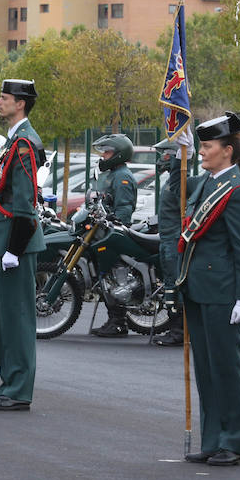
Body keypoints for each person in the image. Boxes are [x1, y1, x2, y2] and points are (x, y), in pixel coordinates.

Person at [171, 114, 240, 467]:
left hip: (223, 293)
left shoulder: (237, 191)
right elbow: (174, 195)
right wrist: (180, 158)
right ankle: (212, 440)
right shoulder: (206, 182)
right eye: (201, 146)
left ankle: (233, 441)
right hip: (198, 288)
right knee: (206, 370)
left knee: (226, 369)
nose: (202, 152)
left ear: (228, 150)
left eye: (207, 146)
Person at [0, 79, 45, 411]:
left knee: (17, 320)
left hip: (15, 242)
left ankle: (17, 390)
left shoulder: (24, 144)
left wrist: (14, 250)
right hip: (5, 239)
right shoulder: (14, 142)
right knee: (6, 319)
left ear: (20, 103)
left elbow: (25, 204)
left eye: (3, 98)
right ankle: (10, 385)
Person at [89, 133, 138, 338]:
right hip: (105, 232)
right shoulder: (114, 174)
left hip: (115, 234)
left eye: (107, 152)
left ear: (119, 154)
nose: (104, 156)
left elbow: (124, 209)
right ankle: (114, 319)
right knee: (106, 275)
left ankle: (118, 321)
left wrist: (114, 223)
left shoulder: (122, 177)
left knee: (115, 274)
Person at [152, 137, 185, 346]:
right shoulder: (170, 183)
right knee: (169, 285)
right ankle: (175, 329)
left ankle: (178, 331)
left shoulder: (180, 182)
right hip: (166, 239)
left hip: (174, 241)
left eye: (165, 154)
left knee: (174, 286)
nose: (161, 158)